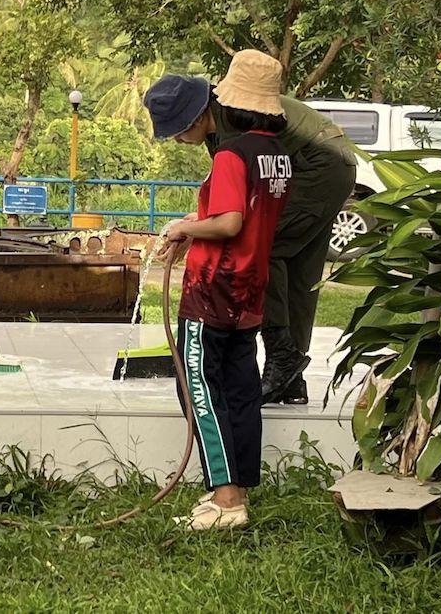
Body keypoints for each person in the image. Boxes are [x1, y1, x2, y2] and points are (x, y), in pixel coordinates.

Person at [143, 57, 356, 405]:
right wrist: (195, 228)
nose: (178, 140)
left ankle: (282, 356)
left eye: (178, 131)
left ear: (197, 117)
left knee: (261, 248)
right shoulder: (221, 119)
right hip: (331, 163)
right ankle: (290, 376)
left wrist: (194, 229)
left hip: (318, 165)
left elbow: (235, 218)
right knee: (298, 266)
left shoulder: (233, 119)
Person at [153, 50, 292, 530]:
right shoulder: (276, 155)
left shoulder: (232, 154)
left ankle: (226, 499)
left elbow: (230, 222)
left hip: (213, 289)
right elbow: (248, 217)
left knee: (199, 387)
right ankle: (240, 490)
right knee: (240, 387)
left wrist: (181, 227)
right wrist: (193, 228)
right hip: (249, 289)